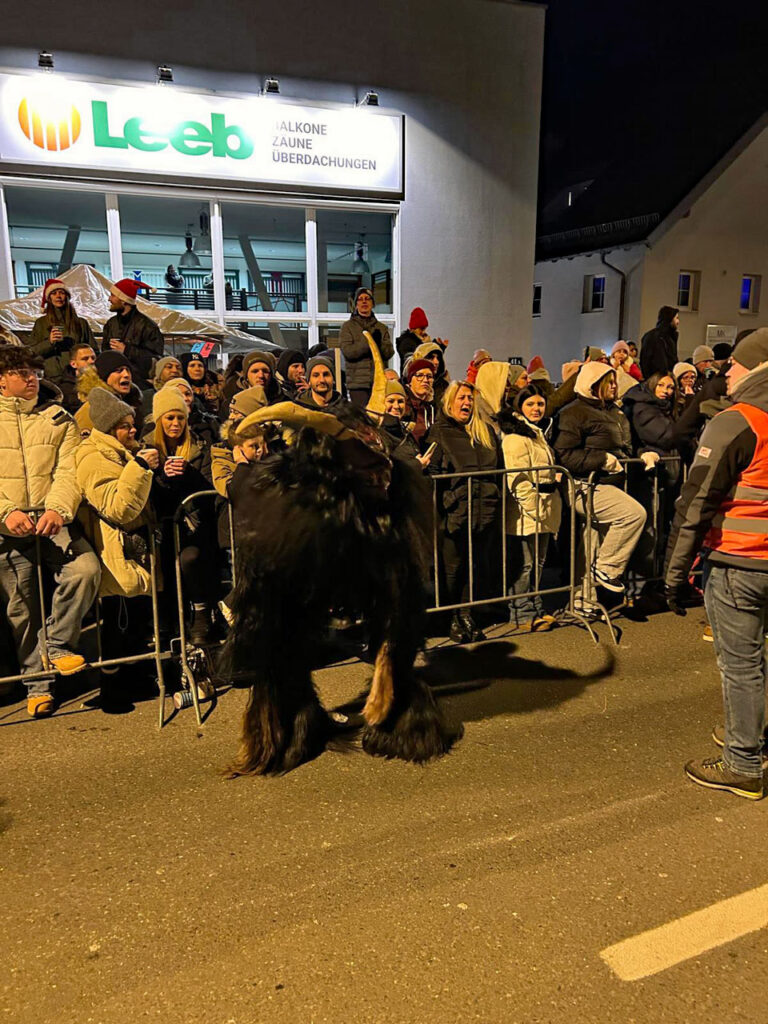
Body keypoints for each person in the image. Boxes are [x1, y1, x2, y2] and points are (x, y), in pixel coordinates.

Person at [665, 328, 768, 800]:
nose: (727, 370)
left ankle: (743, 761)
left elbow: (697, 500)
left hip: (740, 562)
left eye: (735, 364)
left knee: (741, 665)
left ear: (756, 369)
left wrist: (673, 572)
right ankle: (754, 739)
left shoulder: (738, 420)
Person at [0, 345, 100, 717]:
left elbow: (69, 471)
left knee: (85, 571)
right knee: (21, 609)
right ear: (2, 379)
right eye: (21, 372)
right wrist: (6, 511)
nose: (30, 378)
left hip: (52, 521)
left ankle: (57, 645)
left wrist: (58, 507)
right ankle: (37, 686)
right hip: (7, 528)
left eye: (34, 372)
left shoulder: (59, 418)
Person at [74, 388, 160, 712]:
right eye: (125, 425)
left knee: (134, 620)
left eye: (132, 423)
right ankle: (113, 691)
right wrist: (140, 467)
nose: (133, 429)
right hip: (113, 553)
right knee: (116, 624)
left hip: (130, 551)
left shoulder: (120, 452)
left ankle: (136, 681)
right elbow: (118, 507)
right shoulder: (94, 457)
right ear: (110, 429)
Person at [554, 363, 646, 605]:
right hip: (585, 485)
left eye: (615, 381)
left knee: (590, 544)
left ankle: (583, 599)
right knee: (633, 515)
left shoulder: (613, 412)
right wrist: (601, 460)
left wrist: (641, 457)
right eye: (609, 382)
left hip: (607, 484)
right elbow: (563, 455)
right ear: (594, 385)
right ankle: (607, 568)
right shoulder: (573, 413)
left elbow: (622, 449)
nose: (615, 386)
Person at [427, 380, 502, 644]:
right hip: (454, 513)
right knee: (452, 568)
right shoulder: (439, 432)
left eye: (470, 399)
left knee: (473, 566)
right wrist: (446, 502)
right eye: (461, 398)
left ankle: (466, 614)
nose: (466, 403)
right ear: (449, 402)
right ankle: (450, 618)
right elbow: (432, 473)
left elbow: (499, 470)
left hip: (484, 510)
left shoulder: (485, 432)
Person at [149, 387, 219, 646]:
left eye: (180, 418)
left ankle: (201, 612)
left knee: (189, 559)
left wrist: (189, 474)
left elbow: (210, 490)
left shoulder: (200, 447)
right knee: (163, 565)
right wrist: (160, 476)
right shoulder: (148, 449)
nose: (175, 423)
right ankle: (167, 624)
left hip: (195, 526)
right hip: (162, 527)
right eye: (169, 418)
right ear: (159, 420)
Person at [498, 385, 562, 631]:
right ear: (519, 407)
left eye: (540, 404)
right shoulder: (515, 437)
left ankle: (535, 606)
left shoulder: (537, 433)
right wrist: (534, 507)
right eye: (530, 404)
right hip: (526, 510)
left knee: (538, 562)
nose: (536, 409)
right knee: (524, 564)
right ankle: (522, 613)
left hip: (544, 506)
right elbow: (517, 478)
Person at [29, 278, 95, 384]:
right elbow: (31, 352)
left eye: (62, 293)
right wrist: (49, 342)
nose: (58, 296)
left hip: (77, 377)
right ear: (49, 298)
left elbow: (94, 350)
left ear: (67, 296)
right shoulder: (41, 323)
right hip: (50, 378)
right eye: (54, 293)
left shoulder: (81, 323)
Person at [101, 278, 164, 384]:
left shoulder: (148, 326)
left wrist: (127, 350)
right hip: (114, 382)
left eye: (113, 295)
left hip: (140, 383)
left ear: (124, 300)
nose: (109, 299)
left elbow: (156, 359)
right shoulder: (110, 324)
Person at [339, 287, 393, 407]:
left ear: (372, 303)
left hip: (378, 382)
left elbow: (389, 353)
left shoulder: (381, 328)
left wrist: (380, 344)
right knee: (363, 420)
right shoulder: (347, 327)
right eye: (360, 299)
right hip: (357, 384)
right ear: (356, 303)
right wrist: (369, 341)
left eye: (367, 299)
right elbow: (348, 352)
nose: (364, 301)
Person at [76, 352, 144, 435]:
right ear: (104, 376)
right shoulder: (90, 409)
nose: (126, 375)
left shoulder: (134, 402)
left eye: (128, 370)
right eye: (118, 371)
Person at [402, 358, 436, 446]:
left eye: (429, 376)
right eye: (419, 375)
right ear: (410, 380)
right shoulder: (403, 404)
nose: (425, 380)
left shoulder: (434, 406)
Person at [639, 306, 680, 379]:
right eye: (676, 318)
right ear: (670, 319)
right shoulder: (654, 337)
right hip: (656, 381)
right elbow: (646, 362)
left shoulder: (670, 337)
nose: (678, 322)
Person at [140, 355, 183, 420]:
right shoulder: (148, 396)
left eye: (178, 368)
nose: (175, 370)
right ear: (159, 372)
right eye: (169, 367)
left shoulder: (188, 395)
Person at [59, 341, 96, 414]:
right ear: (73, 364)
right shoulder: (64, 389)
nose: (91, 361)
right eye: (85, 359)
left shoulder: (103, 381)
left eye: (93, 358)